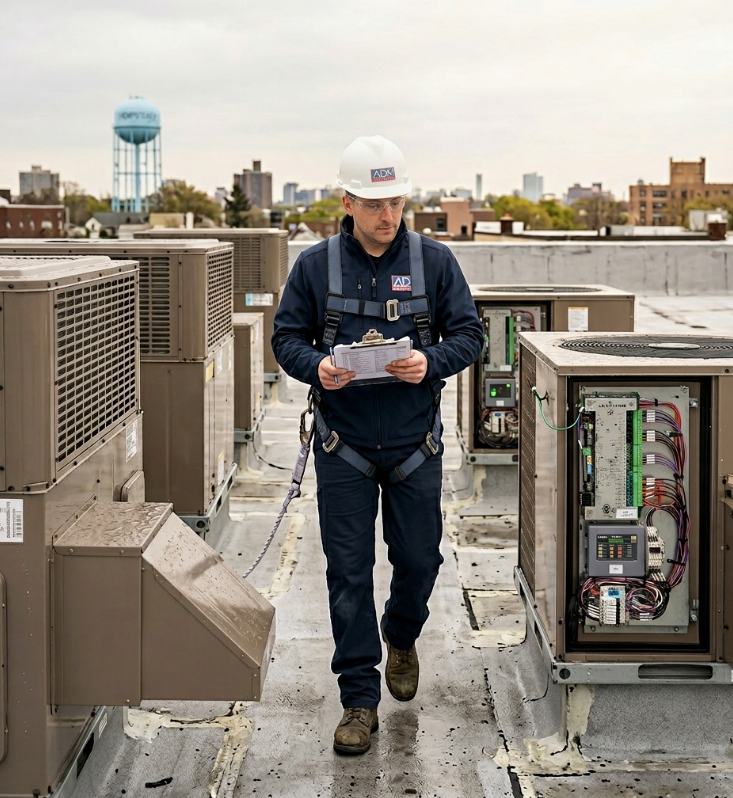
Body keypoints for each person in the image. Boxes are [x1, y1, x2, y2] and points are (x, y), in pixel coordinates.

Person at [272, 135, 483, 755]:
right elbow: (287, 339)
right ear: (347, 201)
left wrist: (430, 361)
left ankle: (402, 633)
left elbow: (470, 335)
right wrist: (318, 368)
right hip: (346, 448)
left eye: (394, 201)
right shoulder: (314, 267)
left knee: (419, 561)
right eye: (372, 203)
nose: (387, 215)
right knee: (347, 573)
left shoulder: (434, 262)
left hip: (415, 445)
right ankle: (359, 700)